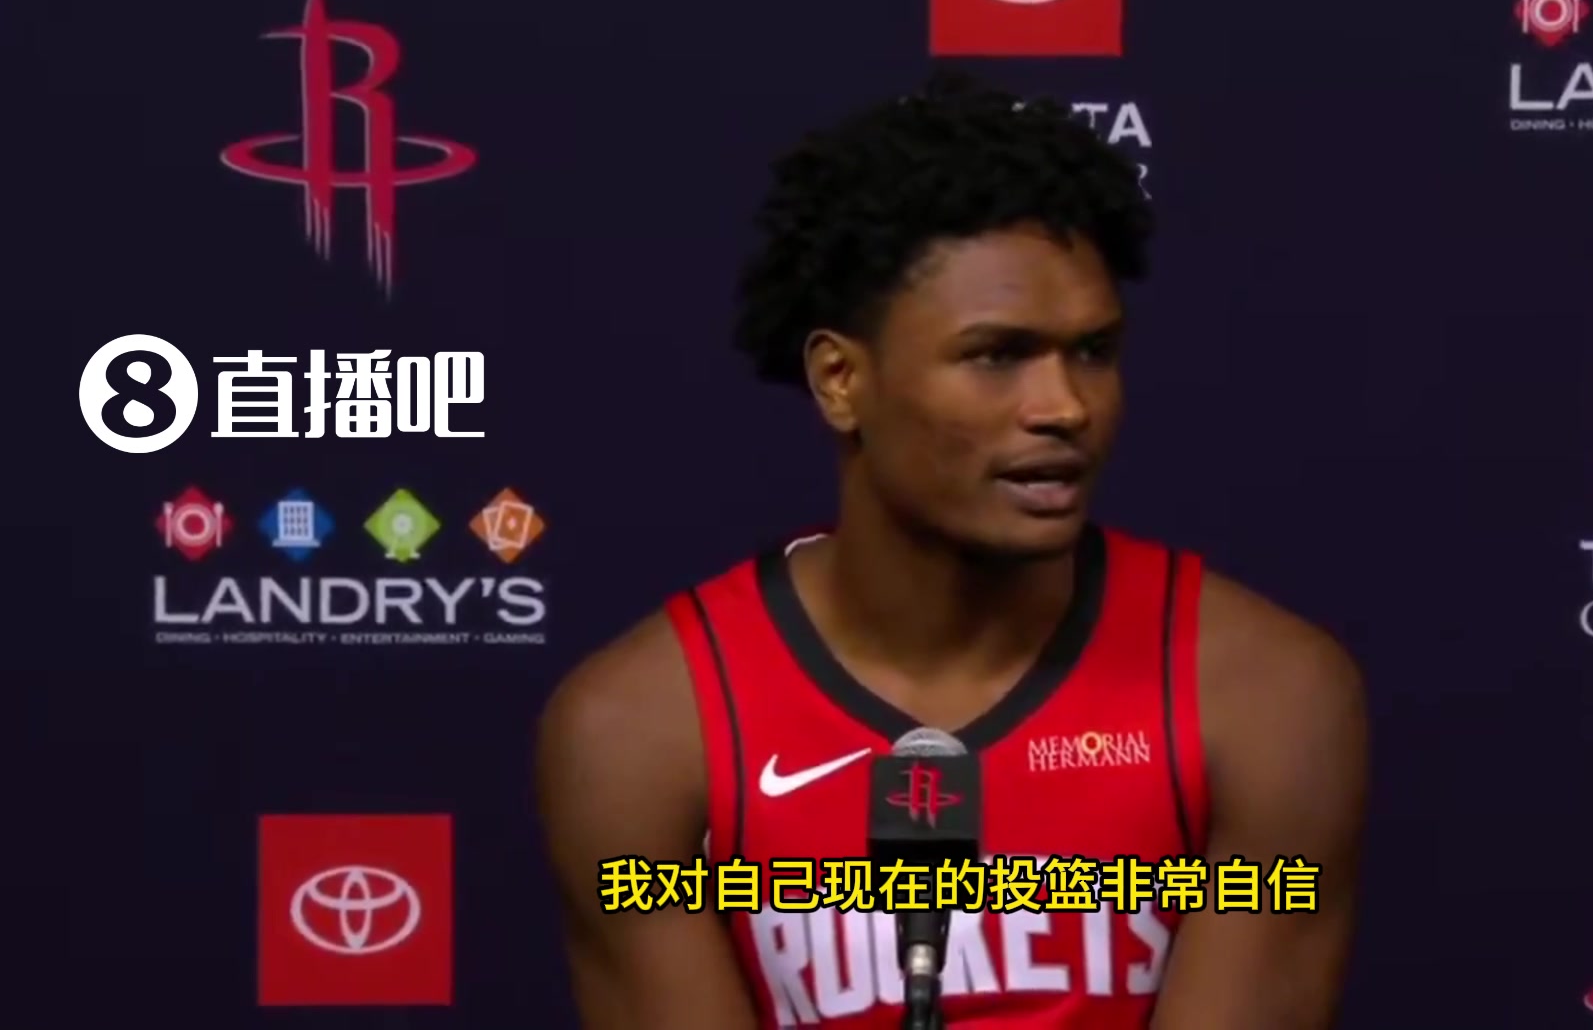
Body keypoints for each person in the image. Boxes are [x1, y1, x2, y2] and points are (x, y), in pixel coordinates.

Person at [535, 71, 1368, 1029]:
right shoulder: (642, 731)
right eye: (996, 355)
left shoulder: (1263, 695)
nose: (1065, 406)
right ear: (840, 379)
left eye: (1092, 352)